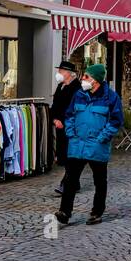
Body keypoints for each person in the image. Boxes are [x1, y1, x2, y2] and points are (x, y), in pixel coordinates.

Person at [55, 64, 124, 226]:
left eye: (86, 76)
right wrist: (71, 134)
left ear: (96, 80)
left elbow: (116, 121)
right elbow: (70, 115)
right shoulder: (79, 94)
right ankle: (65, 212)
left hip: (97, 145)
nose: (82, 79)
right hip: (77, 143)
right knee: (70, 180)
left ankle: (96, 213)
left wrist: (102, 137)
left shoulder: (111, 97)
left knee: (99, 181)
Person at [50, 61, 82, 196]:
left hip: (71, 126)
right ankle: (75, 183)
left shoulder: (77, 88)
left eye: (61, 71)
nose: (58, 73)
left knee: (71, 155)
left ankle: (67, 184)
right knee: (64, 154)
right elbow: (56, 104)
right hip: (60, 126)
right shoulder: (60, 86)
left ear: (69, 73)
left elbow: (73, 108)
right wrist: (54, 118)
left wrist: (62, 120)